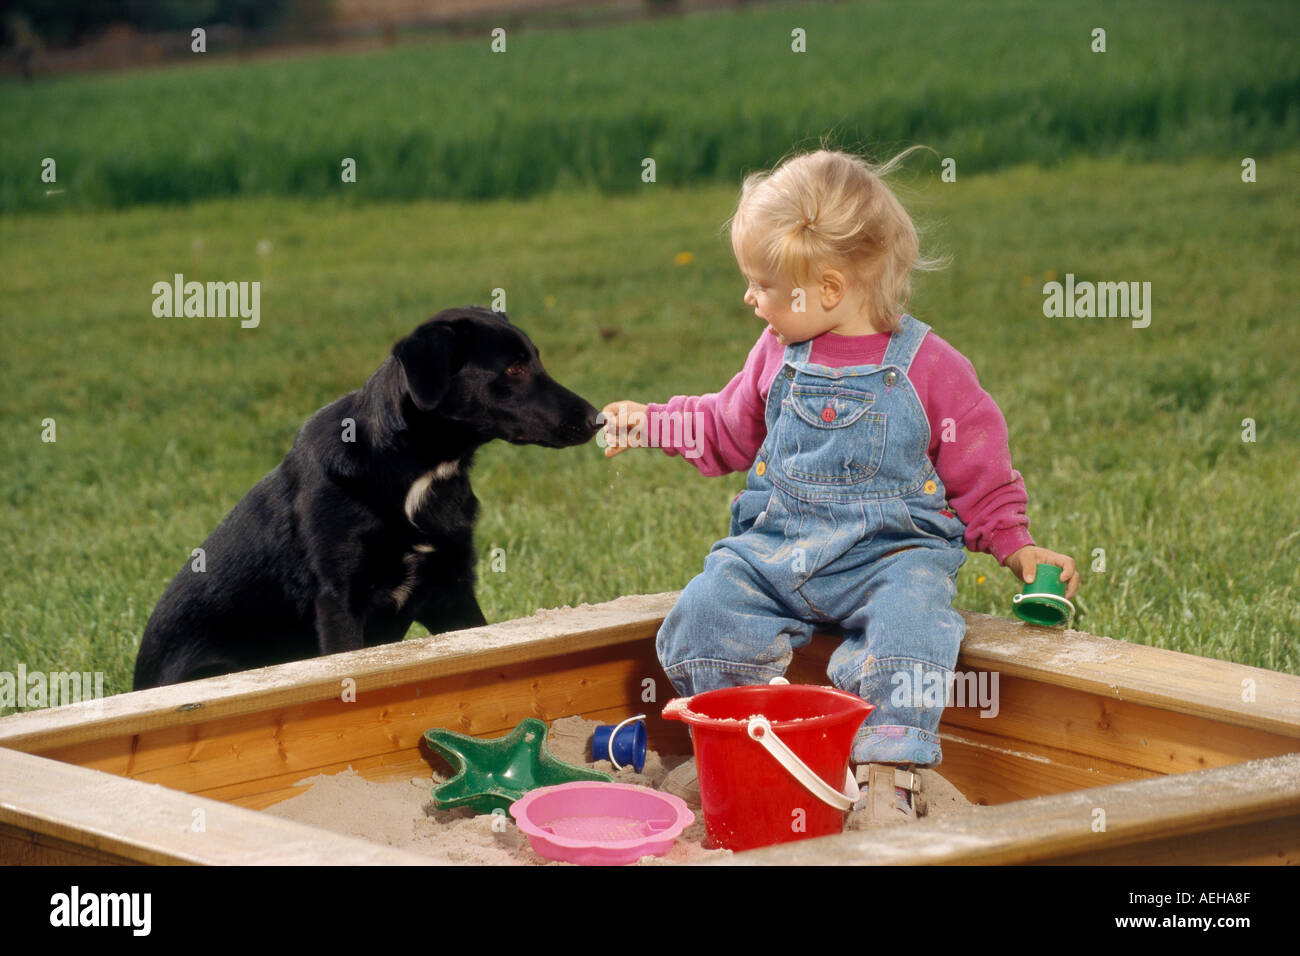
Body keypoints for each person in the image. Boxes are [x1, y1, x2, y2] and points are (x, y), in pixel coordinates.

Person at [601, 147, 1080, 826]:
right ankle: (741, 740)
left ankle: (888, 770)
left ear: (826, 289)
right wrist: (652, 422)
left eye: (761, 284)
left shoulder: (928, 367)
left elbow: (980, 465)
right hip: (779, 551)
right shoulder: (775, 354)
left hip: (888, 559)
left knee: (915, 628)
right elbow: (724, 426)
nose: (749, 298)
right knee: (704, 612)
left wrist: (1015, 544)